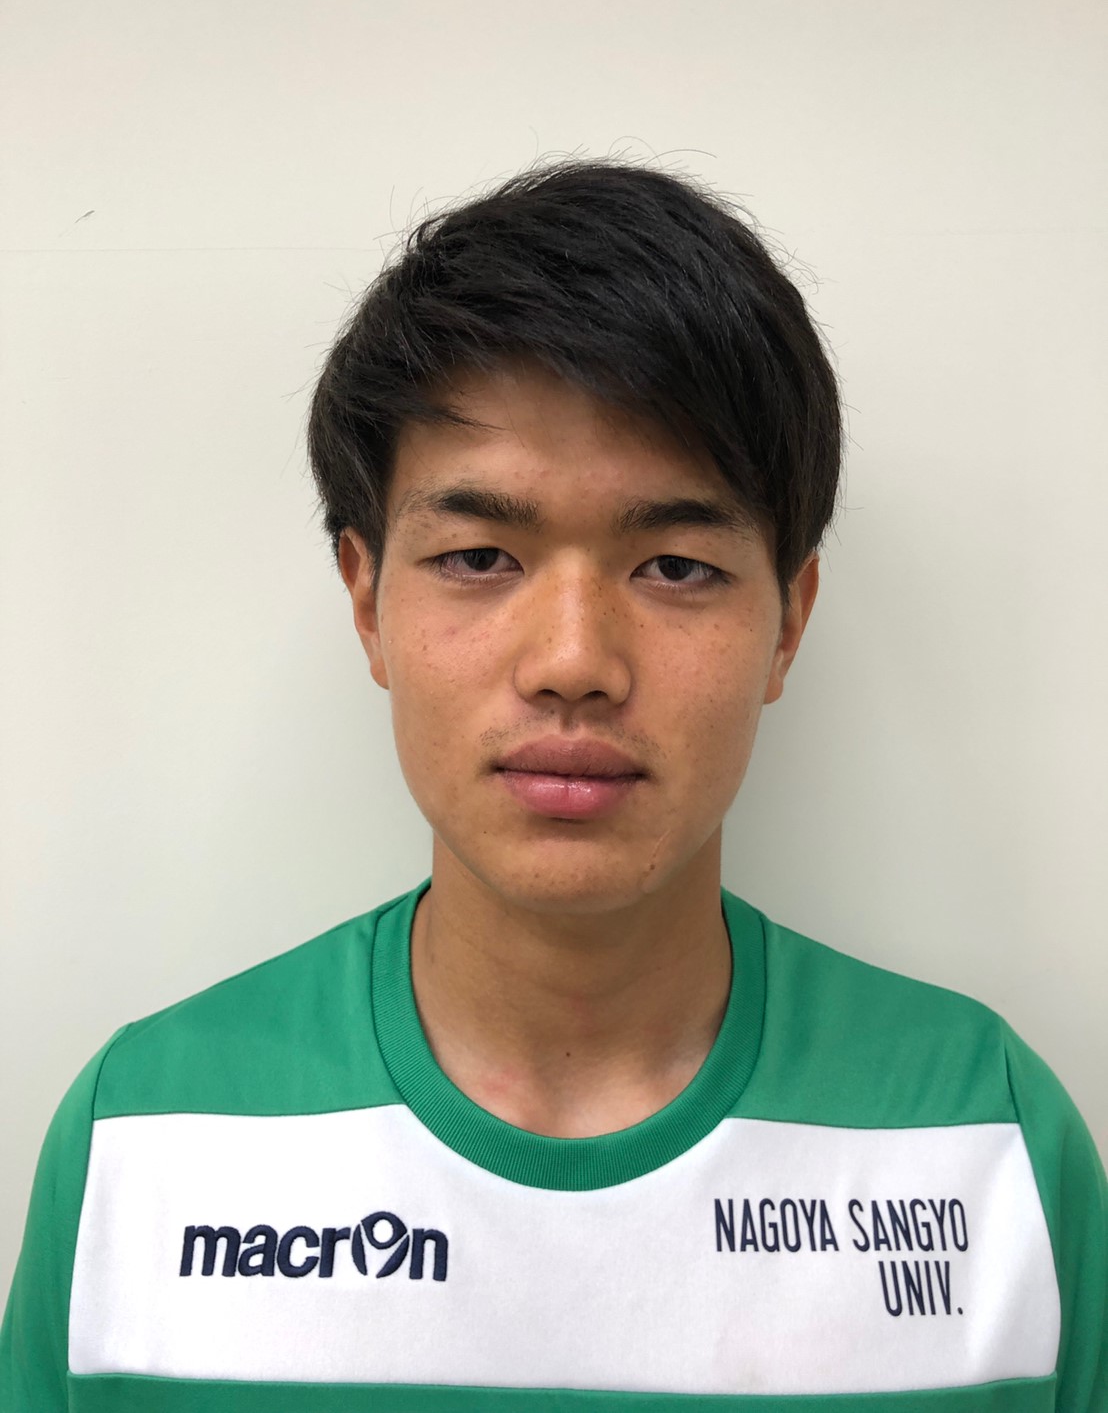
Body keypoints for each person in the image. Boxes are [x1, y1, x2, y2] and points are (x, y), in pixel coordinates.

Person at [2, 159, 1104, 1412]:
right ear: (366, 600)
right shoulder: (148, 1133)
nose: (574, 660)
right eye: (480, 555)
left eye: (675, 565)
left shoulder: (983, 1134)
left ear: (788, 622)